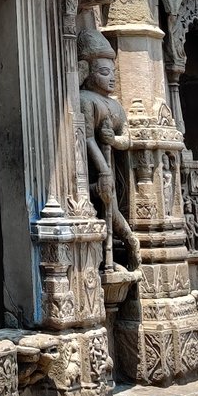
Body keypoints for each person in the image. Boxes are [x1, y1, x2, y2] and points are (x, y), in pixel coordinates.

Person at [78, 26, 140, 272]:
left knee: (113, 207)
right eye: (104, 72)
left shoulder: (115, 106)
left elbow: (127, 139)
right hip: (97, 169)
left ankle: (126, 242)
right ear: (88, 73)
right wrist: (103, 170)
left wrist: (114, 141)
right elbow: (87, 139)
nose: (111, 78)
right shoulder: (85, 99)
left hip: (114, 168)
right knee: (107, 208)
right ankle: (126, 242)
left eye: (112, 72)